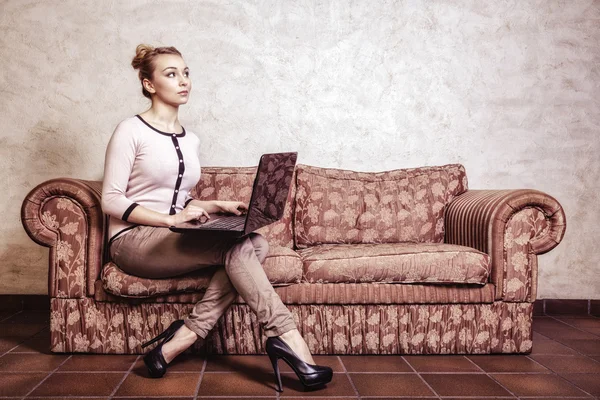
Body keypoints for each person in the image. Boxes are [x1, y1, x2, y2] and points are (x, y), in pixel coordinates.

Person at [101, 44, 332, 391]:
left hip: (169, 234)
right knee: (236, 248)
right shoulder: (129, 130)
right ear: (149, 84)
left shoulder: (189, 139)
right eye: (171, 74)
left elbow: (178, 197)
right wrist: (170, 221)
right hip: (133, 241)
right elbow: (111, 199)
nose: (183, 81)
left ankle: (184, 336)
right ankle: (289, 338)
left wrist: (213, 205)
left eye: (186, 72)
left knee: (254, 241)